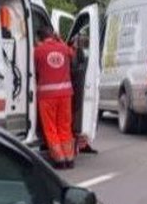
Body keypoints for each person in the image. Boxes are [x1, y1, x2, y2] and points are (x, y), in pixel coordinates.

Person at [33, 23, 77, 169]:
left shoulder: (37, 51)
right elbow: (73, 54)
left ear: (39, 38)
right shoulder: (63, 48)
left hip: (47, 95)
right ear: (52, 35)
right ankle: (69, 159)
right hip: (65, 94)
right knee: (65, 126)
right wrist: (60, 40)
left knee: (51, 128)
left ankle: (59, 160)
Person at [69, 29, 98, 155]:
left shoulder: (81, 54)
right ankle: (79, 144)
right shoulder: (75, 53)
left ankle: (81, 143)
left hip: (78, 89)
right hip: (75, 89)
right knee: (78, 119)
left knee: (82, 118)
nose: (81, 42)